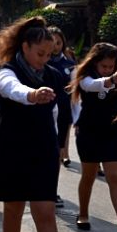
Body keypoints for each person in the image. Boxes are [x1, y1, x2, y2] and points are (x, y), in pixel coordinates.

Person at [0, 16, 74, 232]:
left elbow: (63, 105)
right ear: (25, 47)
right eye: (40, 53)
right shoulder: (7, 71)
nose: (44, 60)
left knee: (45, 213)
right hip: (13, 149)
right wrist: (32, 94)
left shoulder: (53, 74)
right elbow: (10, 88)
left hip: (43, 150)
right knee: (13, 211)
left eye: (49, 55)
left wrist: (58, 144)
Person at [69, 42, 117, 232]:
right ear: (95, 64)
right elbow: (92, 86)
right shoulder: (84, 78)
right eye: (104, 66)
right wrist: (109, 80)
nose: (108, 70)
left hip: (111, 134)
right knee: (89, 176)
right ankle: (83, 213)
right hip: (88, 133)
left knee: (116, 178)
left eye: (111, 66)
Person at [46, 27, 75, 176]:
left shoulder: (69, 65)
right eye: (52, 42)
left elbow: (76, 87)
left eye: (59, 42)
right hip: (43, 112)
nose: (56, 46)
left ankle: (52, 189)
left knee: (57, 148)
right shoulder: (40, 64)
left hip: (63, 110)